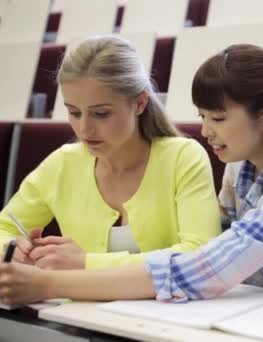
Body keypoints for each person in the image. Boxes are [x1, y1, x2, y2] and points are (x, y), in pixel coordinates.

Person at [0, 44, 263, 305]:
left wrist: (52, 282)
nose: (205, 130)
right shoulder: (238, 170)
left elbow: (205, 266)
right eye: (202, 117)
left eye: (217, 118)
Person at [0, 35, 221, 270]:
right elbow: (4, 228)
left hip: (170, 307)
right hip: (70, 307)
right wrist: (11, 248)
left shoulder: (183, 158)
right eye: (74, 113)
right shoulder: (62, 163)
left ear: (140, 103)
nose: (84, 129)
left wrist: (86, 262)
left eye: (101, 113)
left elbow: (201, 254)